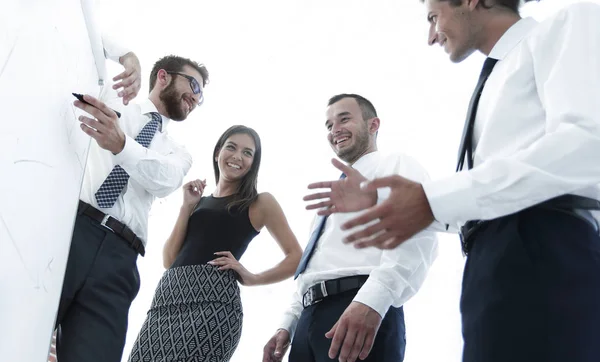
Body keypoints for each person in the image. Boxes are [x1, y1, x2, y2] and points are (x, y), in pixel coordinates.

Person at [316, 2, 600, 362]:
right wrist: (394, 206)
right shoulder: (492, 81)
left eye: (434, 17)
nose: (432, 35)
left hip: (546, 259)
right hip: (488, 271)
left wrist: (432, 199)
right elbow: (482, 205)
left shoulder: (566, 26)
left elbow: (588, 146)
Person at [55, 54, 209, 362]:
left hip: (120, 259)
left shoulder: (178, 153)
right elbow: (94, 25)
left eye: (201, 95)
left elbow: (163, 180)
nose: (196, 97)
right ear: (163, 76)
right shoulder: (115, 102)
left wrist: (121, 145)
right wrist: (129, 56)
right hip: (69, 235)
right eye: (193, 84)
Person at [262, 94, 438, 362]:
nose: (335, 130)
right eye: (329, 125)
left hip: (359, 308)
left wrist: (372, 301)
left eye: (344, 119)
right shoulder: (332, 198)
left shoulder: (395, 165)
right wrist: (288, 323)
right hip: (308, 324)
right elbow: (315, 268)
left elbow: (416, 235)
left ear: (373, 124)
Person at [128, 125, 303, 362]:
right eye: (231, 147)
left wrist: (252, 278)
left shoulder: (260, 202)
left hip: (213, 304)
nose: (237, 156)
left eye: (247, 153)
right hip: (167, 299)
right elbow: (169, 260)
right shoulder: (198, 202)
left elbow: (296, 257)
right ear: (218, 152)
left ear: (254, 163)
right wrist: (187, 206)